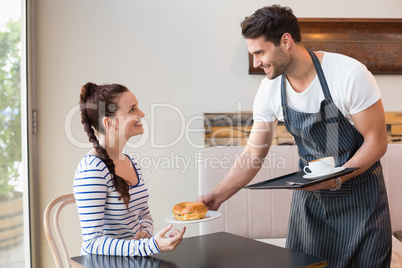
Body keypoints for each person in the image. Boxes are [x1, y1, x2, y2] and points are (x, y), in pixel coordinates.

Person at [198, 5, 391, 267]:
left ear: (285, 41)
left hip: (362, 203)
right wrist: (217, 196)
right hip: (310, 207)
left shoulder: (349, 75)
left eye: (260, 52)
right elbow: (254, 153)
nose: (256, 63)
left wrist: (336, 178)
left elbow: (376, 142)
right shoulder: (270, 90)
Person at [74, 82, 185, 256]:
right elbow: (92, 242)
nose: (142, 114)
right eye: (132, 109)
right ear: (109, 123)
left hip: (131, 260)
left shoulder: (131, 163)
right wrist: (150, 246)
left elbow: (144, 215)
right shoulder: (92, 170)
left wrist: (146, 233)